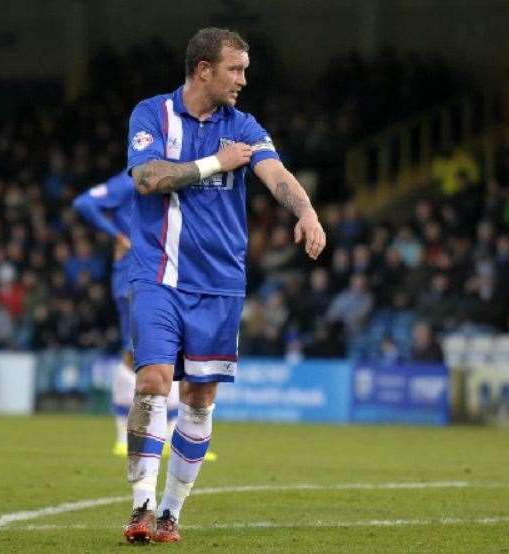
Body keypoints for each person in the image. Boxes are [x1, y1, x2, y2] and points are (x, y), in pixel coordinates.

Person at [121, 28, 326, 544]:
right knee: (152, 382)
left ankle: (171, 512)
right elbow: (147, 179)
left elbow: (274, 172)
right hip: (158, 275)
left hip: (218, 283)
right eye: (234, 70)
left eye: (245, 70)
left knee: (200, 396)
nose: (243, 80)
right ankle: (142, 506)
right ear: (203, 69)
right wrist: (216, 162)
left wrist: (306, 211)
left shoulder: (245, 126)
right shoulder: (152, 114)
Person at [73, 173, 190, 458]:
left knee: (170, 351)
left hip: (162, 275)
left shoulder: (168, 181)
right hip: (132, 277)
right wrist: (118, 235)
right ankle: (123, 437)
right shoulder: (129, 182)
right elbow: (84, 203)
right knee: (132, 352)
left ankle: (172, 435)